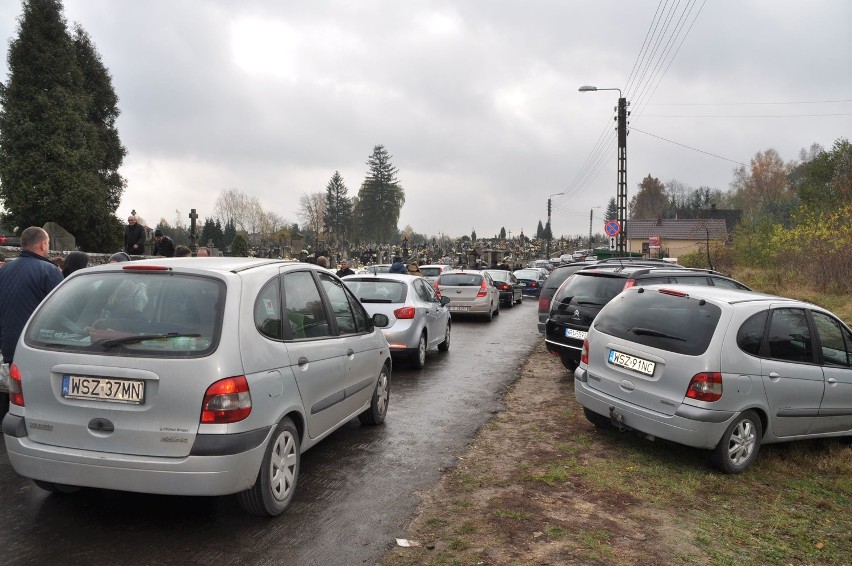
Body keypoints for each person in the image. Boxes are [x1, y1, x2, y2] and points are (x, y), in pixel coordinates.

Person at [0, 227, 64, 412]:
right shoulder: (49, 271)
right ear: (43, 244)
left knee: (13, 393)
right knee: (35, 399)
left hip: (9, 344)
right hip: (37, 347)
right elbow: (62, 311)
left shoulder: (4, 270)